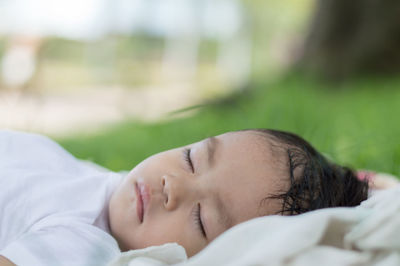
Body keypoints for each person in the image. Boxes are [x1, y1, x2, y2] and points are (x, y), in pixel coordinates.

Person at [0, 129, 368, 266]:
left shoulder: (79, 241)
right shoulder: (92, 179)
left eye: (201, 219)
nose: (173, 185)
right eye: (191, 158)